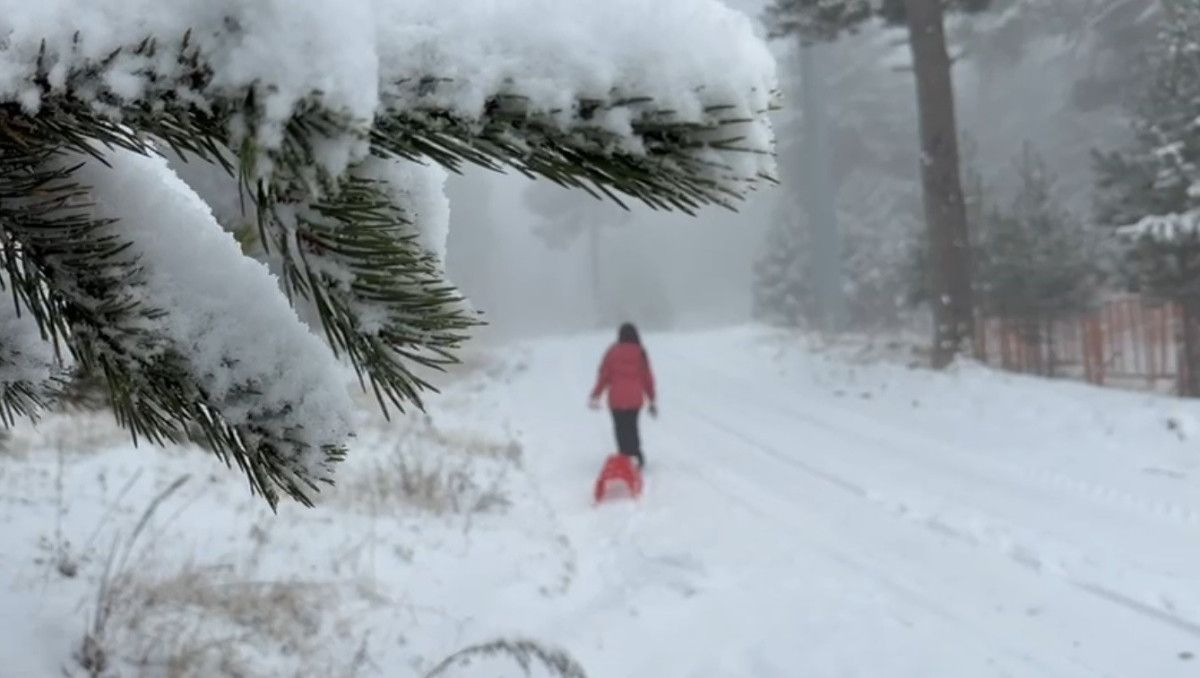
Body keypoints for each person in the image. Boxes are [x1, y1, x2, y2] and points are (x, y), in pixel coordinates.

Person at [589, 322, 657, 468]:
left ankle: (624, 457)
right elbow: (647, 377)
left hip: (617, 399)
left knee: (620, 429)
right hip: (634, 399)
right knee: (632, 427)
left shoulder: (612, 352)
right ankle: (636, 456)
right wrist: (652, 399)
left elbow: (604, 376)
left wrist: (596, 395)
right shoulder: (641, 353)